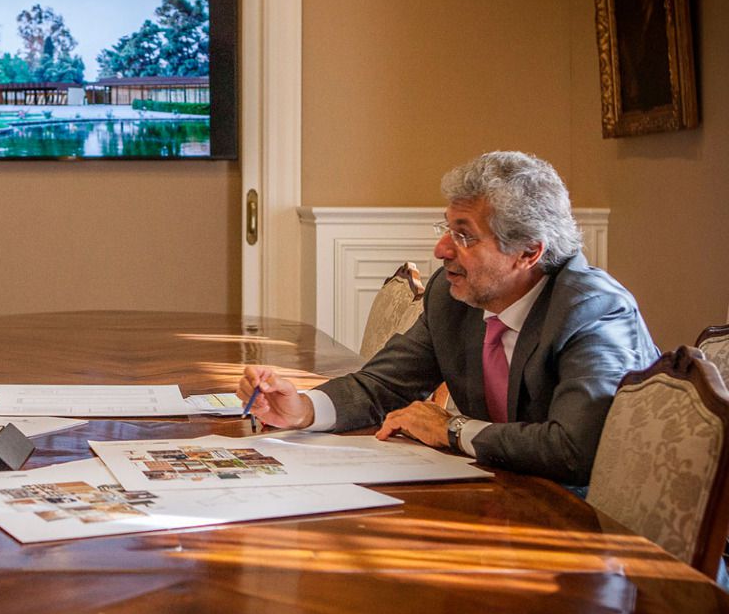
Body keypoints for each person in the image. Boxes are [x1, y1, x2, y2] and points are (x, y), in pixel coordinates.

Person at [239, 151, 659, 486]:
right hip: (501, 494)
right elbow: (383, 384)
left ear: (528, 252)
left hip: (593, 530)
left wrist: (454, 429)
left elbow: (574, 449)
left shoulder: (593, 311)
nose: (442, 249)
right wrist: (304, 410)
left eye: (464, 235)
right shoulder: (452, 294)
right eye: (447, 228)